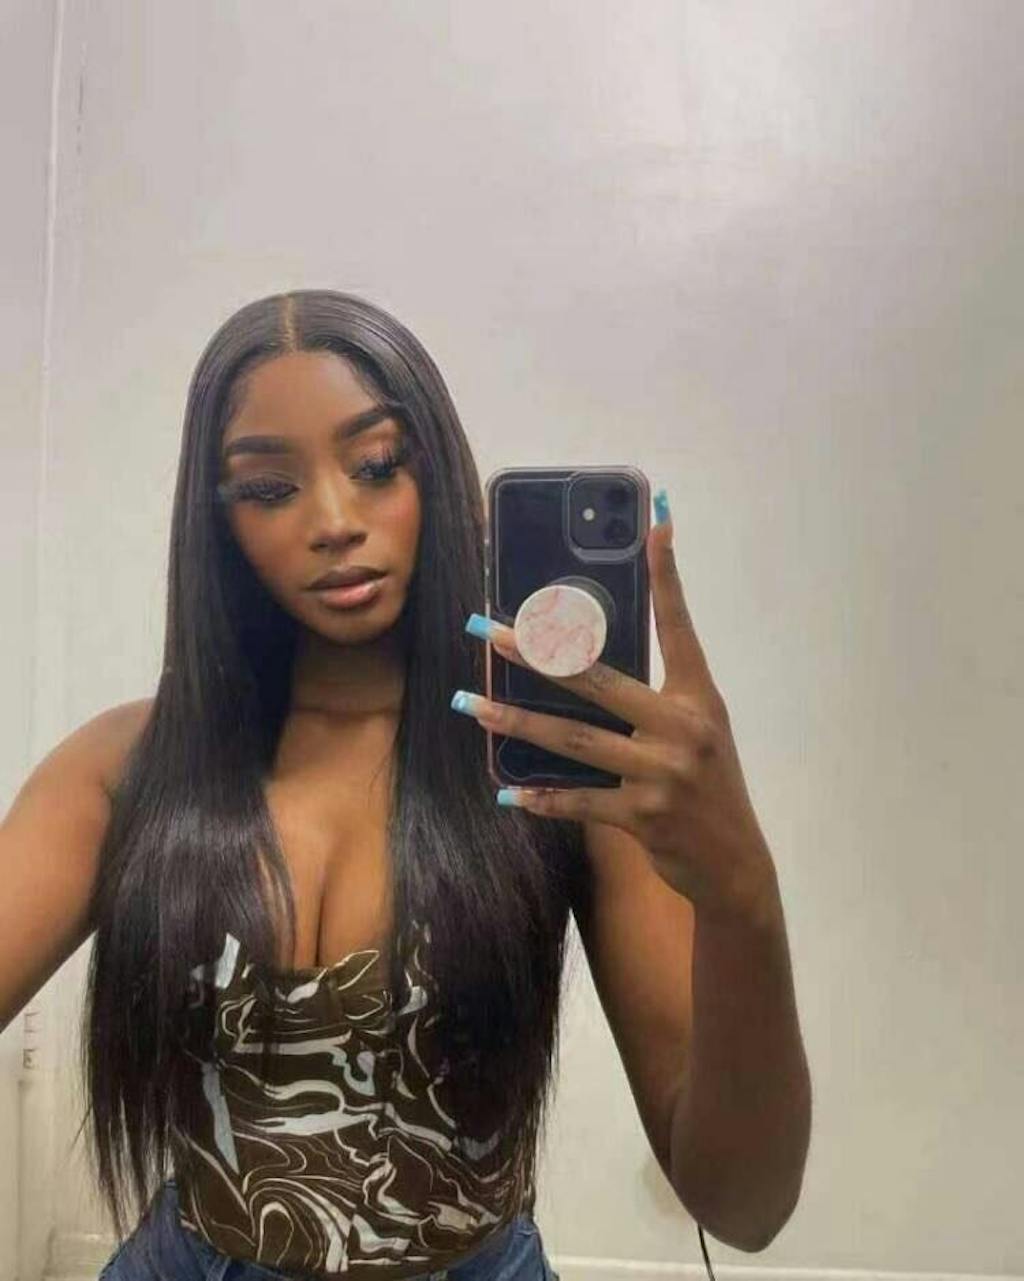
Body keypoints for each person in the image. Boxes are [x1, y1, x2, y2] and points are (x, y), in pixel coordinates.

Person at [0, 289, 810, 1279]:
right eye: (269, 488)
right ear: (216, 521)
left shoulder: (554, 770)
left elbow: (743, 1205)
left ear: (439, 473)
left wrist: (742, 893)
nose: (335, 521)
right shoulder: (125, 771)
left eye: (378, 466)